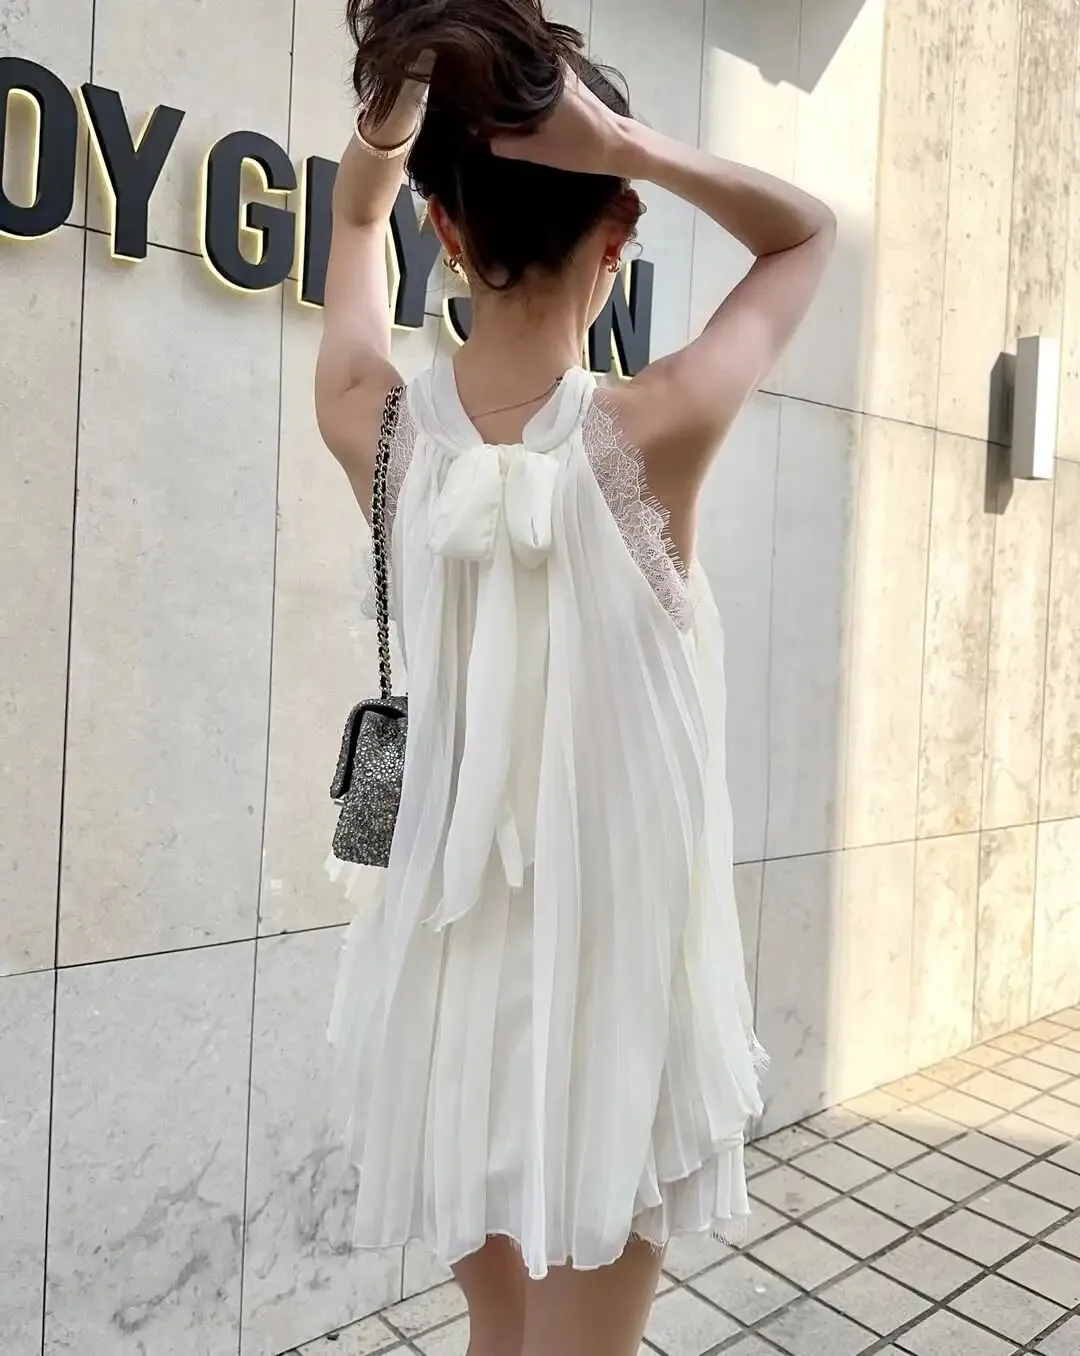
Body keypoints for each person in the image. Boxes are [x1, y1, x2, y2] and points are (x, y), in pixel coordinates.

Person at [315, 3, 835, 1353]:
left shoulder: (375, 429)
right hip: (611, 997)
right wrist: (630, 148)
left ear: (446, 231)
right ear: (618, 234)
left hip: (450, 987)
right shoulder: (657, 431)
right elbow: (804, 235)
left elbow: (356, 221)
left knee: (499, 1337)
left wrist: (390, 132)